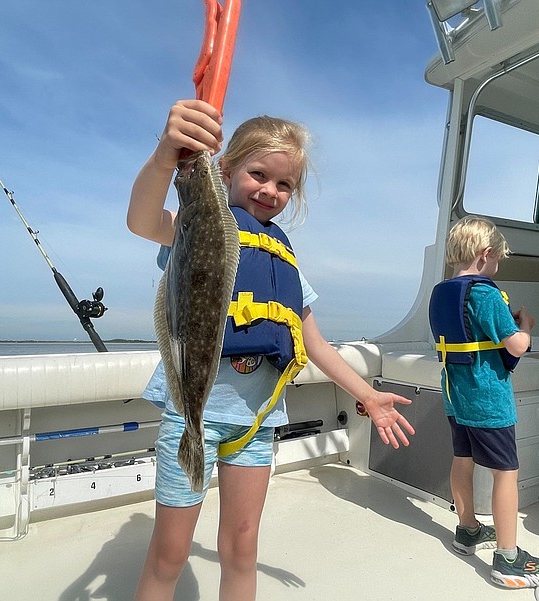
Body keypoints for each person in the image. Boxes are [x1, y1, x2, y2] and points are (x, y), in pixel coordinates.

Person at [126, 99, 415, 601]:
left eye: (285, 185)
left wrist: (367, 393)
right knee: (170, 551)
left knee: (242, 546)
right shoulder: (198, 228)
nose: (270, 191)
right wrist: (165, 157)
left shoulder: (283, 257)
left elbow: (312, 340)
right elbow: (142, 219)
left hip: (257, 421)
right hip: (193, 415)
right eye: (259, 174)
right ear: (226, 168)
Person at [428, 216, 539, 589]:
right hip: (487, 398)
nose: (497, 265)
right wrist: (526, 325)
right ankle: (508, 558)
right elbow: (517, 345)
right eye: (498, 259)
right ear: (485, 255)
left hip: (455, 395)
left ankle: (468, 530)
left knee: (462, 460)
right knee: (506, 473)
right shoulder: (485, 293)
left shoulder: (440, 292)